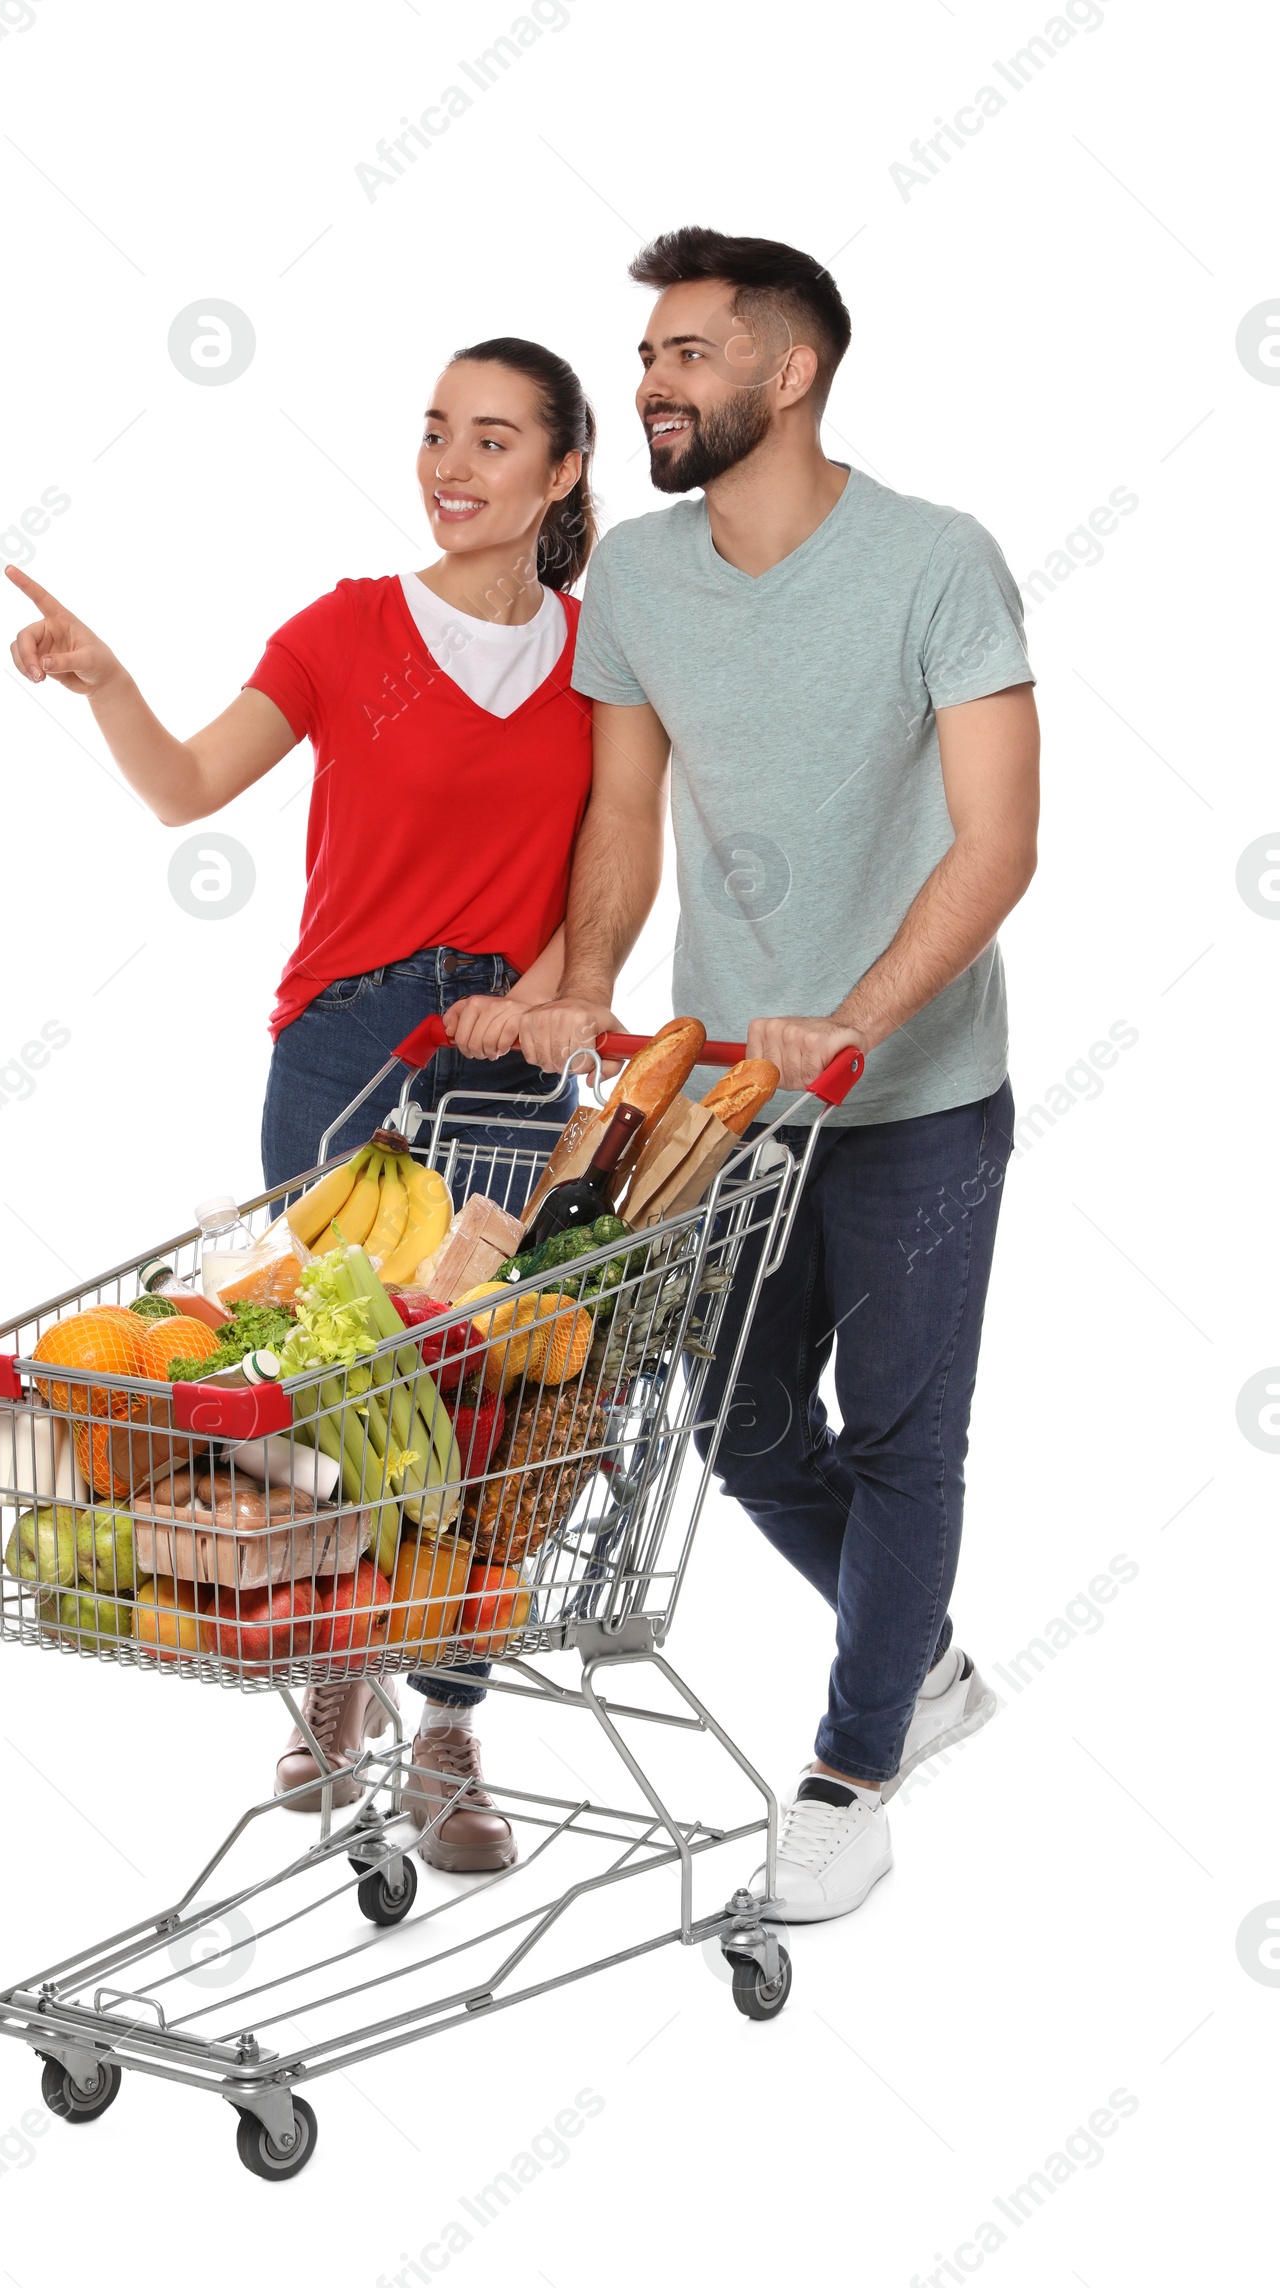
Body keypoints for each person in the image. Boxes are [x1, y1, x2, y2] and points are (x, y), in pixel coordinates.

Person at [6, 337, 601, 1876]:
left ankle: (452, 1717)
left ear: (563, 472)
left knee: (484, 1401)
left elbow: (615, 872)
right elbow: (188, 785)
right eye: (432, 434)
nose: (449, 468)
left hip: (521, 1055)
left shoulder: (607, 661)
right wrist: (114, 685)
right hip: (346, 1048)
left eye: (491, 440)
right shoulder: (346, 631)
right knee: (331, 1374)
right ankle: (337, 1674)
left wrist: (544, 1000)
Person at [517, 230, 1039, 1922]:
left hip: (916, 1101)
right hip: (726, 1105)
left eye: (684, 355)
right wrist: (584, 981)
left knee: (902, 1442)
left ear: (786, 373)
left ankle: (852, 1765)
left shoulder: (937, 561)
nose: (652, 384)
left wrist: (864, 1013)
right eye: (649, 358)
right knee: (736, 1429)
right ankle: (924, 1660)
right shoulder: (647, 587)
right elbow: (618, 812)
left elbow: (999, 837)